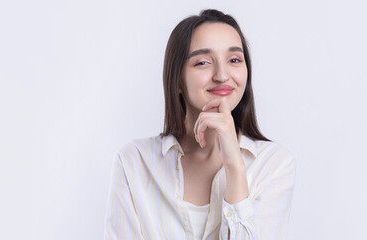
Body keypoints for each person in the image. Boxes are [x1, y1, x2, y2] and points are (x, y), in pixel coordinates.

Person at [104, 9, 296, 240]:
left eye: (234, 60)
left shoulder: (274, 164)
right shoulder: (134, 161)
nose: (222, 75)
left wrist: (235, 168)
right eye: (203, 62)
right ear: (177, 80)